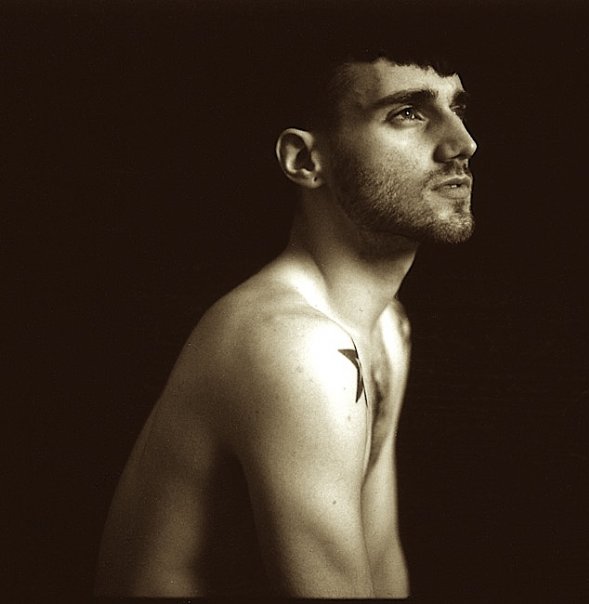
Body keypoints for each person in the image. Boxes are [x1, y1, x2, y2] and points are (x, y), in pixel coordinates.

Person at [94, 30, 477, 598]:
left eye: (457, 109)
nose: (463, 143)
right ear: (305, 160)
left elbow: (378, 560)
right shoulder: (294, 346)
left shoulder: (386, 326)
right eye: (408, 113)